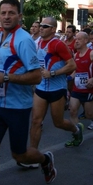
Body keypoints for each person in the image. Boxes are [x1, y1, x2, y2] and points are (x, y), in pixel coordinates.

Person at [0, 0, 57, 184]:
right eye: (3, 13)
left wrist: (5, 78)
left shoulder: (24, 40)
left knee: (19, 155)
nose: (6, 17)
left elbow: (36, 76)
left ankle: (45, 160)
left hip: (17, 108)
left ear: (19, 16)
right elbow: (9, 65)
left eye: (11, 13)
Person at [27, 17, 76, 164]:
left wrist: (52, 73)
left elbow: (72, 65)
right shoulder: (37, 43)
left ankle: (76, 130)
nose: (41, 28)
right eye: (40, 25)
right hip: (41, 88)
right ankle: (34, 156)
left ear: (53, 29)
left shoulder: (58, 44)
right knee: (36, 121)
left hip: (57, 88)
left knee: (58, 122)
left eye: (45, 26)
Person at [65, 32, 93, 147]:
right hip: (77, 88)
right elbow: (76, 71)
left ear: (85, 41)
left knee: (89, 114)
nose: (76, 41)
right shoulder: (76, 55)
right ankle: (78, 135)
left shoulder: (92, 54)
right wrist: (69, 77)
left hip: (89, 89)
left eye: (79, 39)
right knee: (72, 111)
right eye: (75, 39)